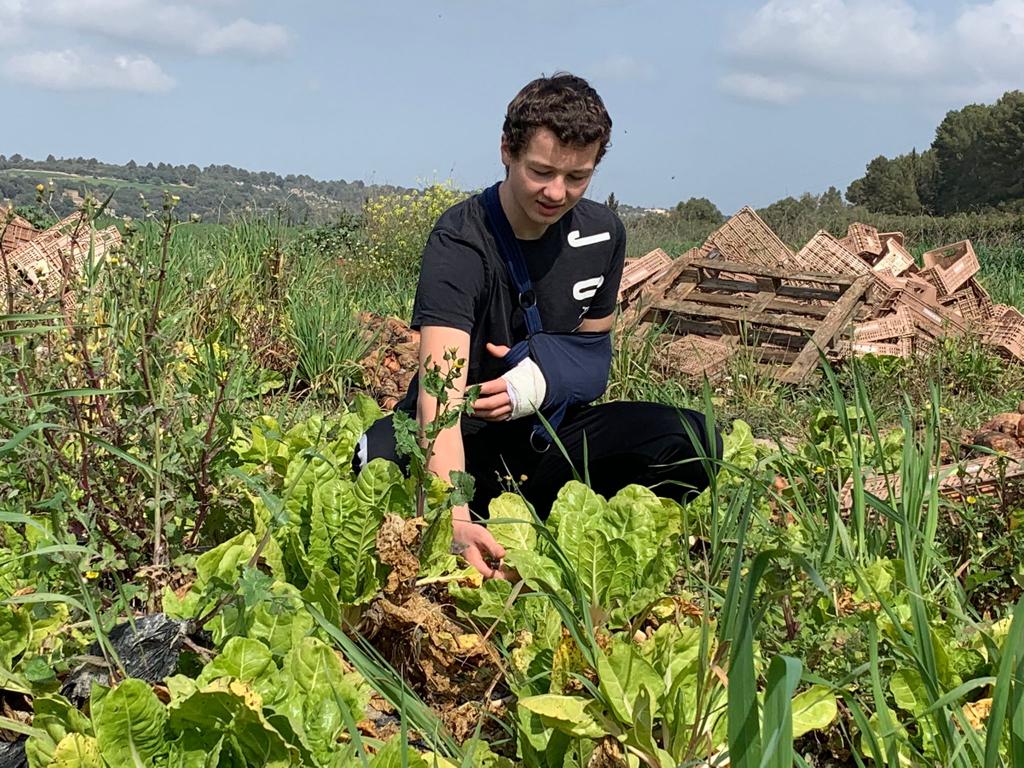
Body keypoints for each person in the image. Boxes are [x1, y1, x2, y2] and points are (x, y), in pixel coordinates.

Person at [355, 73, 721, 580]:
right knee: (375, 461)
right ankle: (481, 523)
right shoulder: (459, 244)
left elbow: (593, 364)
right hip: (466, 436)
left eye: (578, 177)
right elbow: (439, 398)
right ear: (507, 150)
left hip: (548, 436)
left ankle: (569, 532)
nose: (557, 192)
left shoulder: (604, 233)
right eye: (541, 171)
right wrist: (454, 519)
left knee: (694, 438)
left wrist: (535, 382)